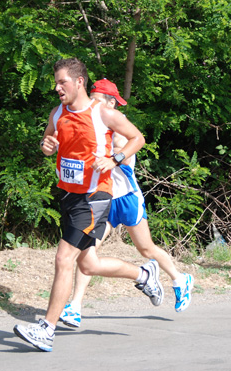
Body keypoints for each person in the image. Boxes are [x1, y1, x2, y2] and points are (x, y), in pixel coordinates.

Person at [13, 59, 163, 352]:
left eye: (62, 82)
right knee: (88, 263)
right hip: (68, 196)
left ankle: (47, 329)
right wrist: (47, 145)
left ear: (79, 82)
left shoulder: (102, 113)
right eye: (56, 83)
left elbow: (138, 138)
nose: (57, 88)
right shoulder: (58, 113)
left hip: (94, 197)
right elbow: (48, 139)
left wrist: (115, 158)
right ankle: (144, 275)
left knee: (63, 259)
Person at [58, 79, 194, 329]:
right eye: (97, 99)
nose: (100, 105)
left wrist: (105, 150)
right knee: (86, 251)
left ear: (110, 103)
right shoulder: (89, 119)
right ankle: (74, 307)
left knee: (146, 249)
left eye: (105, 102)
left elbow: (123, 144)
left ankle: (179, 279)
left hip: (127, 198)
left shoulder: (113, 121)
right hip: (102, 199)